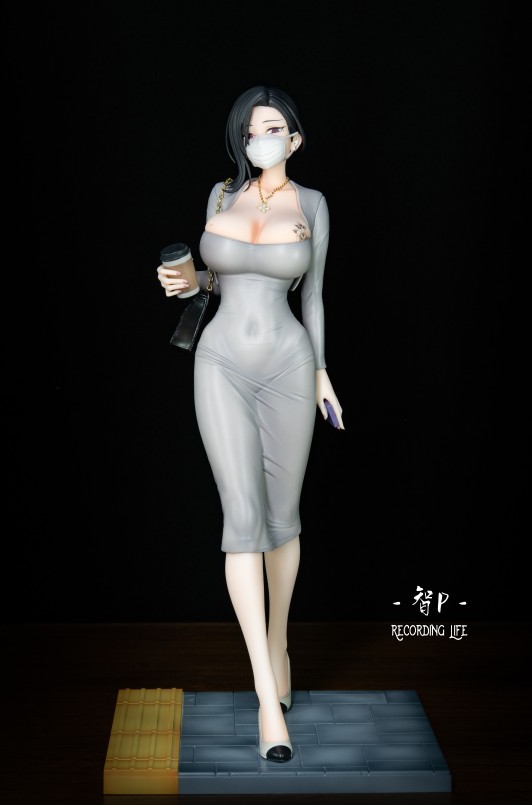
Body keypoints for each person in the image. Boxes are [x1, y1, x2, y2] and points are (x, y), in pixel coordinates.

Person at [157, 85, 344, 763]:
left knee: (282, 519)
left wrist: (322, 373)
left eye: (273, 128)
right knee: (242, 521)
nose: (260, 138)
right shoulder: (220, 195)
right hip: (220, 363)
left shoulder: (314, 204)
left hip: (289, 365)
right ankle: (268, 697)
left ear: (295, 138)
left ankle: (278, 641)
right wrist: (190, 282)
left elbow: (313, 296)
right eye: (250, 130)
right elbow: (216, 279)